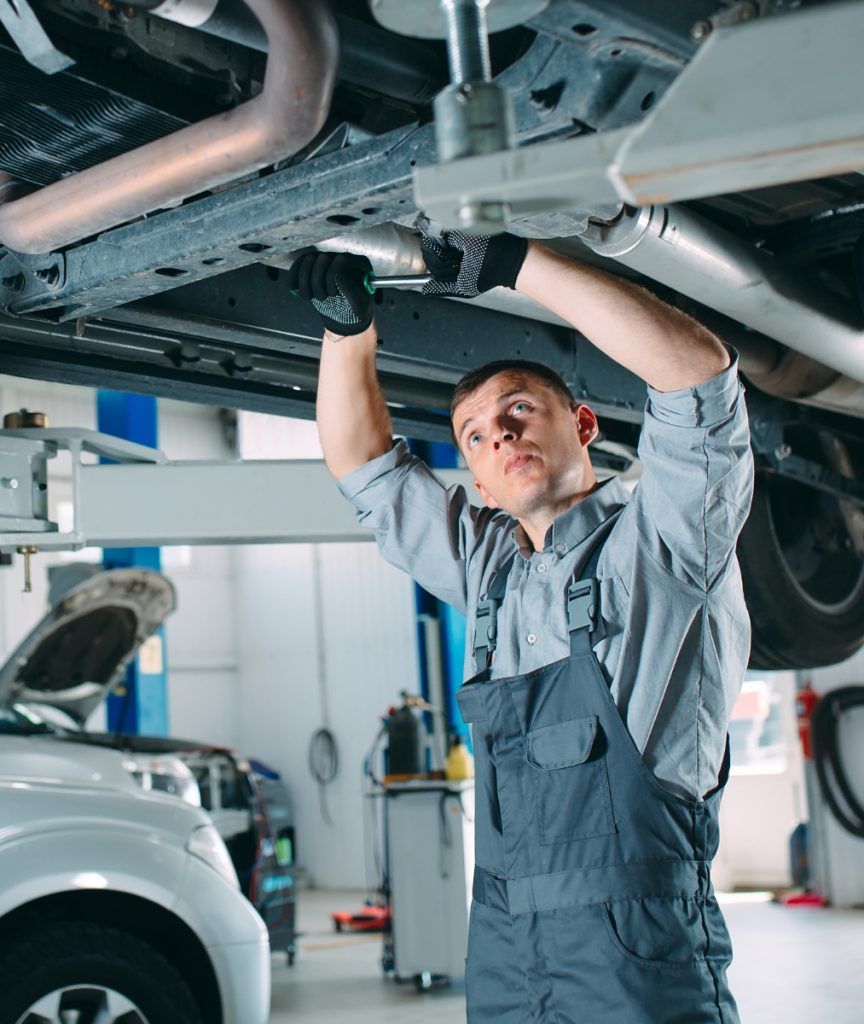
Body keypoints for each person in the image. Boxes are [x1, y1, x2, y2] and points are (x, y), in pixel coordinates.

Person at [289, 231, 753, 1024]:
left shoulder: (666, 542)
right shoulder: (489, 571)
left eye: (519, 411)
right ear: (474, 475)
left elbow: (699, 378)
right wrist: (346, 331)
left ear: (582, 426)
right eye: (476, 434)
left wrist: (516, 263)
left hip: (635, 951)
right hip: (504, 950)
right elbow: (363, 465)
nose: (499, 434)